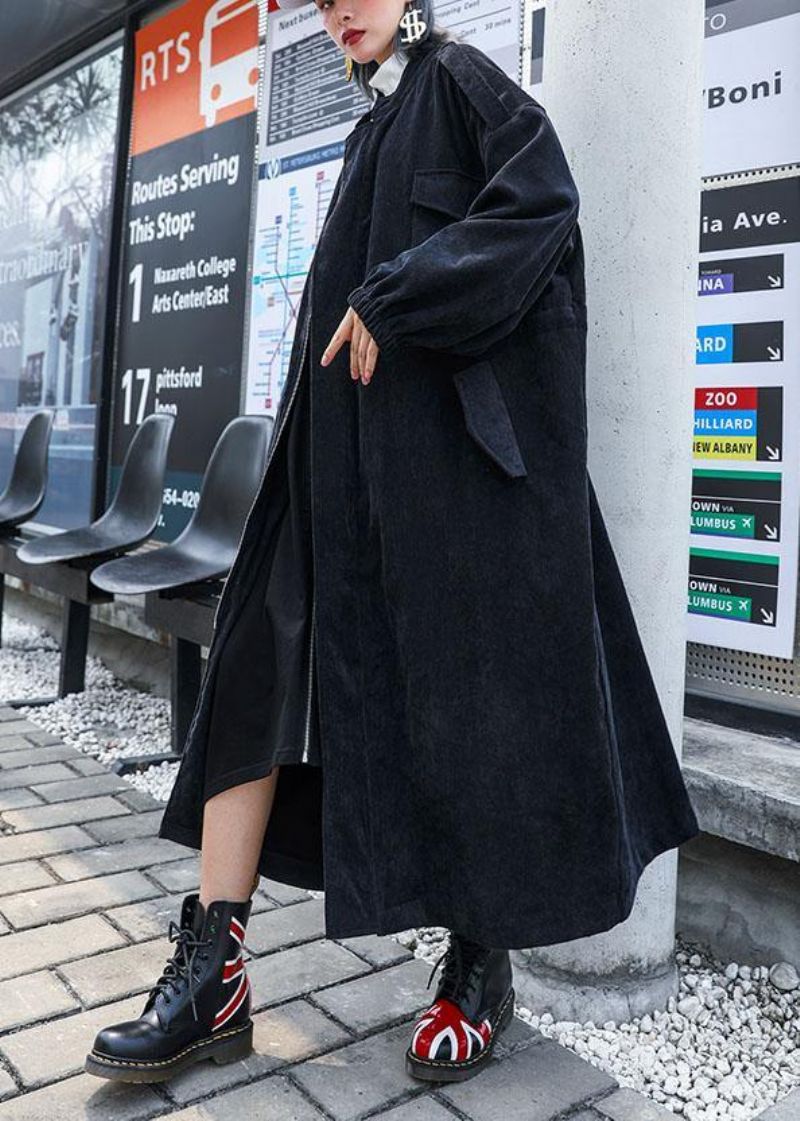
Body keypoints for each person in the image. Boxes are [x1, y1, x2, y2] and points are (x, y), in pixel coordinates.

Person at [85, 0, 700, 1089]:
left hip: (441, 485)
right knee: (252, 678)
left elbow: (540, 208)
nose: (337, 10)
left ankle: (477, 966)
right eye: (320, 0)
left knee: (471, 709)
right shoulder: (374, 120)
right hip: (327, 464)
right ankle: (214, 967)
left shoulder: (459, 81)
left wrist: (400, 296)